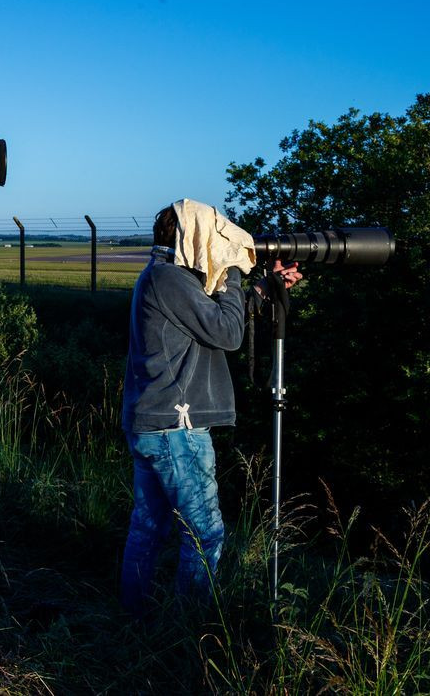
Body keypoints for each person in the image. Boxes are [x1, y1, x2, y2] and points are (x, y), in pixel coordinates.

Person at [120, 198, 302, 615]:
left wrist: (261, 289)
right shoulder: (170, 279)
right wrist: (233, 268)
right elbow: (227, 332)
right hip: (176, 428)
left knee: (149, 528)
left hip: (155, 423)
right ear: (194, 237)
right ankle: (190, 628)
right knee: (205, 533)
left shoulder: (164, 275)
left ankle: (134, 619)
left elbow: (209, 318)